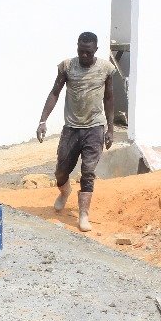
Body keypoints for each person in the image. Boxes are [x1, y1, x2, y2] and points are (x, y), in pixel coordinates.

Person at [36, 31, 117, 232]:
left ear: (95, 50)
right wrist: (42, 120)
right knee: (61, 172)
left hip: (95, 128)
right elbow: (55, 92)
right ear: (77, 48)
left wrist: (110, 129)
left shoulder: (106, 69)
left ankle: (83, 214)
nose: (84, 56)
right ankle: (64, 192)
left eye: (88, 52)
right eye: (81, 51)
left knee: (88, 172)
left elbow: (109, 98)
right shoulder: (67, 67)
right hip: (71, 128)